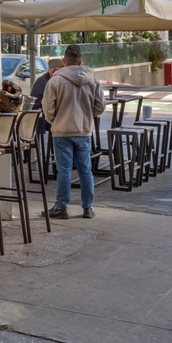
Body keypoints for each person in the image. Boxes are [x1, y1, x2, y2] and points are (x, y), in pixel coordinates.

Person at [42, 44, 105, 220]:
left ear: (64, 61)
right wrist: (87, 116)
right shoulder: (92, 80)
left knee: (64, 171)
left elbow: (48, 109)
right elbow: (100, 106)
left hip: (62, 130)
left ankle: (61, 207)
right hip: (84, 130)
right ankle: (88, 208)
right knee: (86, 170)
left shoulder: (55, 81)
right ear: (80, 61)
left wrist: (54, 120)